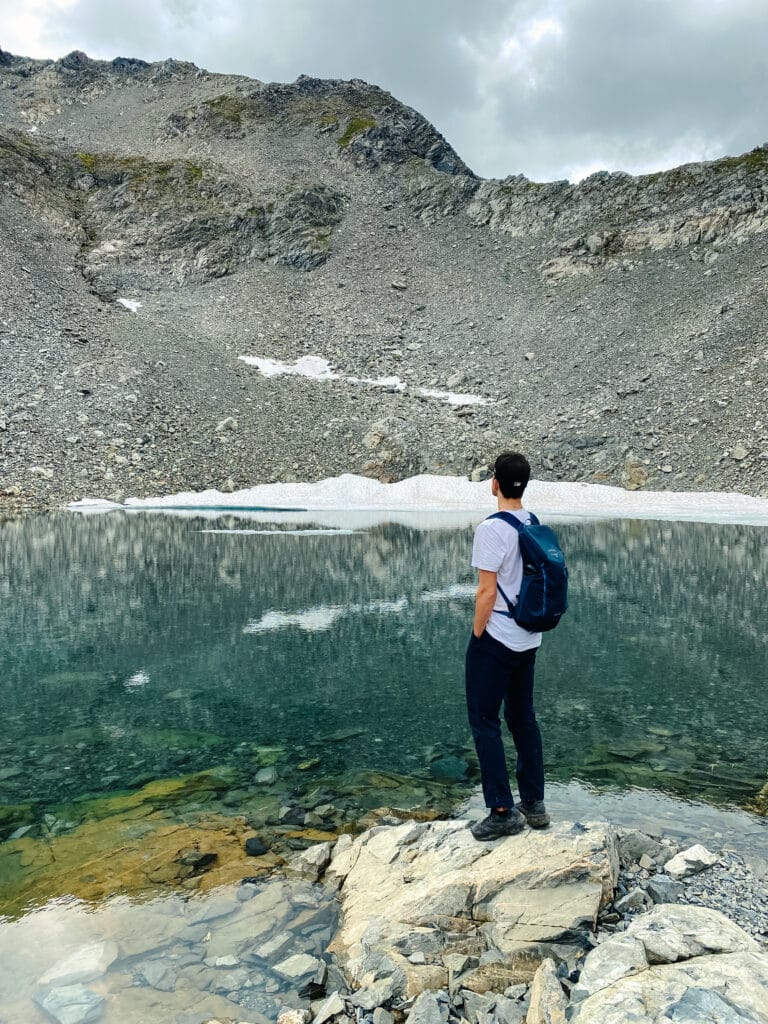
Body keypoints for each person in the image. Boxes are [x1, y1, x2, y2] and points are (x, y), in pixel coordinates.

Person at [466, 451, 550, 840]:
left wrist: (477, 635)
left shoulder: (491, 528)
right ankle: (533, 803)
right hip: (529, 636)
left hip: (498, 636)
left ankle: (501, 810)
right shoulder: (532, 521)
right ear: (525, 484)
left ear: (495, 483)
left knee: (485, 721)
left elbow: (486, 592)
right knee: (522, 716)